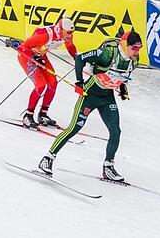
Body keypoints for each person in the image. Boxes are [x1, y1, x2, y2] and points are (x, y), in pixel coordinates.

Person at [38, 30, 142, 182]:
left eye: (139, 48)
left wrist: (122, 88)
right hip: (90, 94)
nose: (137, 52)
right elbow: (80, 59)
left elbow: (121, 77)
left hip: (107, 97)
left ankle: (108, 167)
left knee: (116, 131)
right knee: (75, 127)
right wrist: (79, 82)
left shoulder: (134, 60)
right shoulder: (107, 54)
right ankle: (47, 159)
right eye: (134, 48)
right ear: (125, 45)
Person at [16, 17, 77, 128]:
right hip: (26, 56)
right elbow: (22, 47)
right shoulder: (44, 36)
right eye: (68, 32)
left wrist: (76, 59)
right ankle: (27, 116)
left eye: (72, 32)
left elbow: (70, 46)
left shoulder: (66, 35)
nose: (70, 35)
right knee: (41, 85)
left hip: (40, 55)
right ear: (61, 29)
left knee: (53, 83)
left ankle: (43, 115)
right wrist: (33, 56)